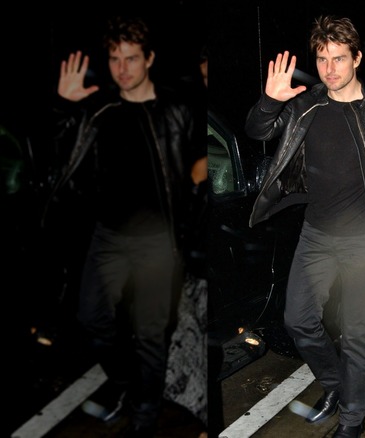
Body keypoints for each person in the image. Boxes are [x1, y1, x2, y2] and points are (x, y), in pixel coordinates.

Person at [243, 15, 365, 438]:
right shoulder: (305, 104)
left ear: (357, 59)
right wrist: (269, 100)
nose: (330, 68)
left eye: (338, 58)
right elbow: (258, 129)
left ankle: (352, 421)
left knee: (357, 335)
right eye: (322, 59)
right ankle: (335, 385)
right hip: (317, 235)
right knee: (298, 321)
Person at [46, 15, 205, 437]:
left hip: (156, 242)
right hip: (109, 238)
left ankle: (145, 414)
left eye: (131, 58)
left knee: (152, 334)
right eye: (115, 59)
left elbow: (196, 160)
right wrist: (66, 106)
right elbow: (60, 164)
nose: (122, 69)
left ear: (149, 59)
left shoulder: (175, 109)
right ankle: (124, 382)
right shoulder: (98, 109)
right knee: (92, 320)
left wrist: (191, 192)